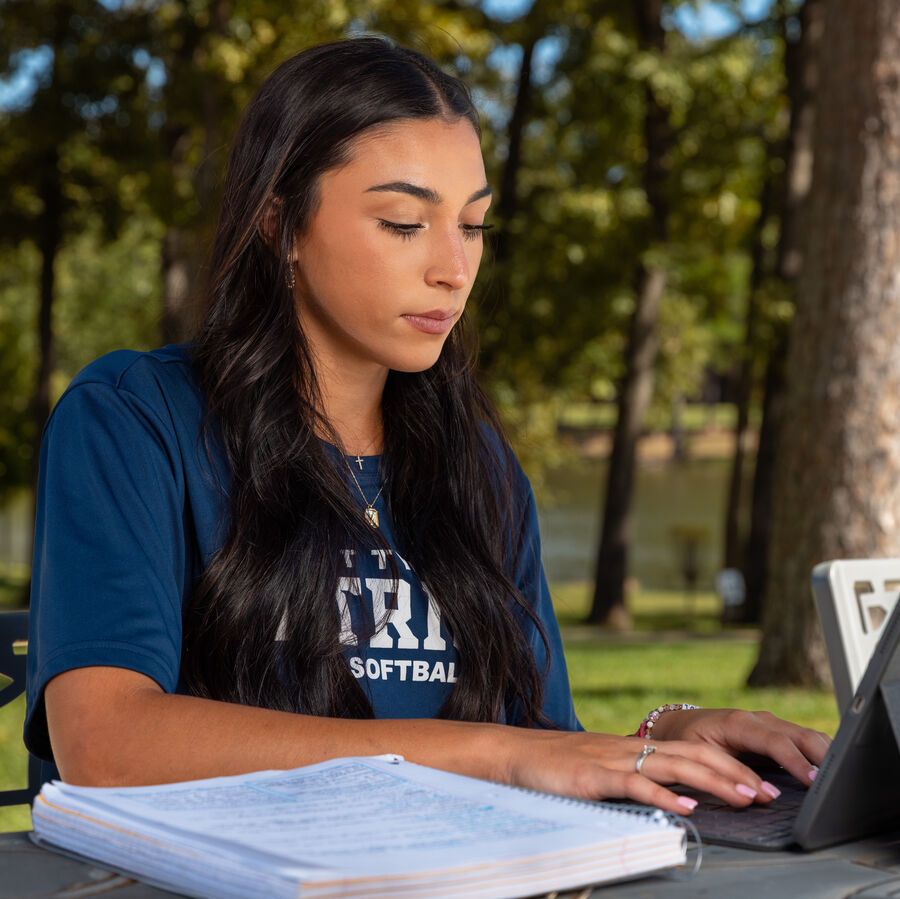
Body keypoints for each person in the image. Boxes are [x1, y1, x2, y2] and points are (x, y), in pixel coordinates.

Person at [25, 36, 829, 816]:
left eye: (472, 225)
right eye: (405, 224)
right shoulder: (134, 420)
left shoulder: (474, 463)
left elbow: (538, 744)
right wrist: (486, 750)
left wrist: (662, 734)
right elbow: (106, 745)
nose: (453, 267)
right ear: (279, 225)